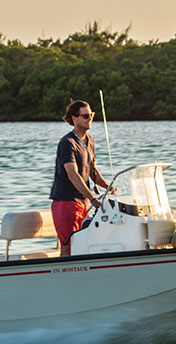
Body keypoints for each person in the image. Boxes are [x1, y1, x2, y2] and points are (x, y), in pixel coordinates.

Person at [50, 100, 110, 256]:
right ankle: (64, 278)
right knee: (68, 246)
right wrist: (93, 198)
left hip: (83, 203)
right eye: (85, 116)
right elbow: (73, 174)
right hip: (66, 202)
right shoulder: (67, 143)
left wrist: (109, 187)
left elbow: (92, 171)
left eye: (91, 115)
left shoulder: (89, 140)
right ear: (74, 119)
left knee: (84, 245)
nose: (89, 119)